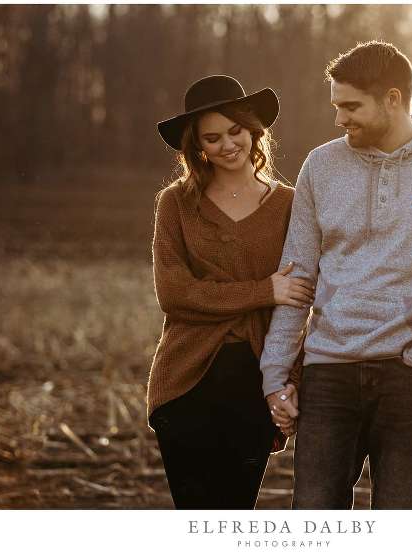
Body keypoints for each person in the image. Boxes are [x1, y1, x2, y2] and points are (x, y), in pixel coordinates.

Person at [262, 41, 412, 509]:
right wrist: (275, 373)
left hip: (410, 380)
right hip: (328, 375)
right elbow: (296, 279)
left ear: (393, 99)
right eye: (336, 106)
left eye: (351, 106)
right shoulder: (321, 165)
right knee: (314, 522)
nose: (339, 119)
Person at [146, 74, 313, 509]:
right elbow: (175, 293)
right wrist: (264, 290)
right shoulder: (176, 203)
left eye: (235, 131)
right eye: (213, 137)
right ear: (198, 146)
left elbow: (298, 301)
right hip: (185, 379)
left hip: (255, 378)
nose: (228, 144)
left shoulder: (289, 205)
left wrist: (290, 380)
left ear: (253, 130)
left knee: (234, 514)